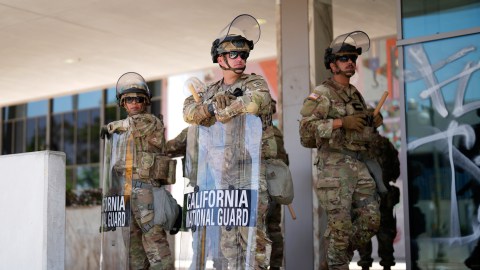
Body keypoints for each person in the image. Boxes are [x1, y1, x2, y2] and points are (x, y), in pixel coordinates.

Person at [182, 14, 275, 269]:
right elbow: (189, 112)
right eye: (235, 55)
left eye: (244, 55)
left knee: (253, 239)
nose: (241, 59)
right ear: (220, 59)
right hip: (218, 177)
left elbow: (259, 100)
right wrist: (211, 107)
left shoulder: (253, 82)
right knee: (227, 242)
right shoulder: (210, 91)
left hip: (248, 173)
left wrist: (230, 107)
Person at [299, 31, 382, 270]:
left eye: (353, 59)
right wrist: (339, 123)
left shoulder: (354, 93)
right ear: (332, 64)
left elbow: (360, 125)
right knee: (340, 227)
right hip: (334, 168)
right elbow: (305, 133)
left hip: (359, 164)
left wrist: (371, 120)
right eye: (344, 59)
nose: (350, 63)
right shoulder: (322, 94)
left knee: (371, 220)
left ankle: (335, 256)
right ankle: (337, 262)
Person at [100, 72, 178, 270]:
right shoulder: (122, 134)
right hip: (127, 193)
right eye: (129, 100)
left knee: (156, 249)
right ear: (123, 104)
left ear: (145, 102)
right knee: (134, 254)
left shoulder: (150, 122)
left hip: (147, 192)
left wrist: (111, 126)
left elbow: (132, 125)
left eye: (138, 99)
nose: (134, 103)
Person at [357, 133, 401, 270]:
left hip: (364, 198)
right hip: (383, 199)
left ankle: (365, 264)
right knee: (386, 239)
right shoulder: (385, 144)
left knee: (363, 240)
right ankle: (386, 264)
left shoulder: (357, 145)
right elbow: (395, 171)